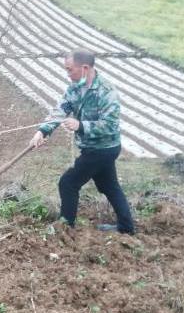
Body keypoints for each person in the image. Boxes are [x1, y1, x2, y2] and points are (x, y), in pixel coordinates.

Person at [29, 49, 135, 235]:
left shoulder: (106, 91)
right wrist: (42, 131)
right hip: (92, 149)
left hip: (103, 148)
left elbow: (110, 125)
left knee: (68, 183)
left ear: (85, 68)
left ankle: (65, 227)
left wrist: (80, 125)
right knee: (109, 186)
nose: (68, 74)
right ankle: (126, 228)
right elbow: (60, 110)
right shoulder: (75, 88)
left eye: (70, 70)